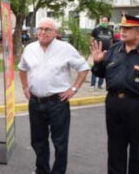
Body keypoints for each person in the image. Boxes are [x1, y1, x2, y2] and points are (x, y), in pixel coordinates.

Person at [18, 18, 89, 174]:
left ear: (55, 33)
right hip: (35, 102)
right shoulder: (30, 48)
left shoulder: (66, 49)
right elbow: (22, 69)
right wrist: (24, 87)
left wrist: (74, 89)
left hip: (57, 102)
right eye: (40, 29)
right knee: (37, 141)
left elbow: (83, 68)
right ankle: (42, 170)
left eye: (47, 29)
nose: (43, 32)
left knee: (60, 143)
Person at [91, 14, 139, 174]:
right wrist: (97, 63)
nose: (122, 31)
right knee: (115, 148)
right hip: (113, 104)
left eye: (128, 29)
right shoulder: (113, 50)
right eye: (121, 28)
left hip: (136, 104)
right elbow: (101, 73)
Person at [90, 16, 114, 90]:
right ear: (101, 21)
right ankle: (92, 85)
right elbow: (91, 40)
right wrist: (93, 49)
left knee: (105, 68)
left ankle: (100, 84)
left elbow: (111, 41)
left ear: (108, 22)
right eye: (103, 21)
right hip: (98, 53)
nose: (104, 22)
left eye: (105, 21)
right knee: (96, 67)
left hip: (107, 53)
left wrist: (111, 50)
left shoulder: (110, 31)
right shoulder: (96, 30)